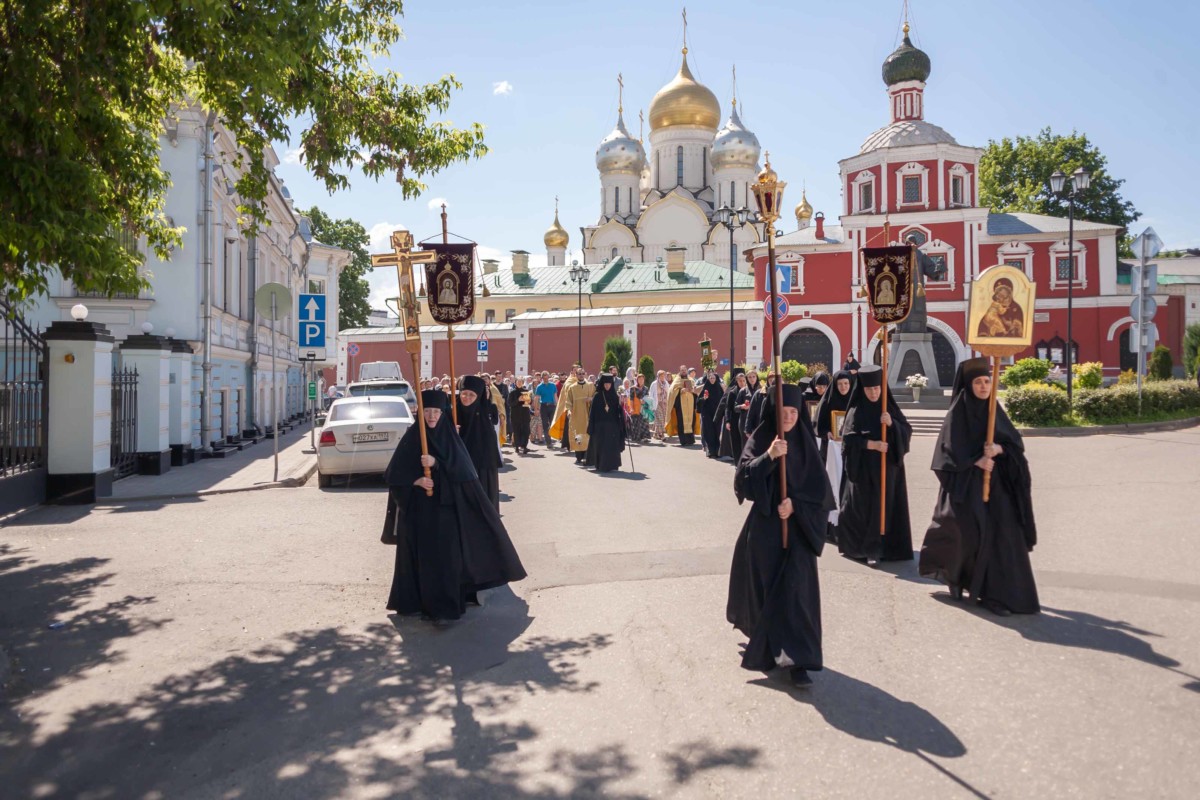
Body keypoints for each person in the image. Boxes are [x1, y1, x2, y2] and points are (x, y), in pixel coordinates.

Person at [383, 390, 526, 623]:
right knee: (423, 562)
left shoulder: (450, 437)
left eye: (437, 412)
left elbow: (463, 474)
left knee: (448, 559)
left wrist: (437, 464)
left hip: (446, 511)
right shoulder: (413, 437)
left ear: (443, 413)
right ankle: (420, 603)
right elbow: (394, 476)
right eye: (427, 411)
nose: (432, 417)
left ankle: (445, 608)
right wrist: (416, 481)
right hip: (419, 513)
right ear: (420, 413)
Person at [726, 383, 833, 688]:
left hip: (797, 532)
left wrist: (795, 506)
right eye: (783, 411)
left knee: (797, 594)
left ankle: (799, 659)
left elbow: (821, 494)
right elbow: (743, 480)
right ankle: (772, 648)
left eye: (793, 412)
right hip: (765, 530)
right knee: (766, 591)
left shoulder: (806, 442)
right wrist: (769, 457)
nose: (788, 417)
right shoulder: (762, 438)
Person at [919, 358, 1040, 616]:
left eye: (987, 381)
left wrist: (999, 449)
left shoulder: (994, 409)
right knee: (966, 533)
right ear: (968, 385)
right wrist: (976, 461)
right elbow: (945, 459)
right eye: (978, 382)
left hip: (997, 488)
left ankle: (998, 595)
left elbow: (1015, 446)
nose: (984, 387)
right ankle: (955, 578)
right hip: (965, 488)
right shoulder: (957, 414)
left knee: (1004, 536)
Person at [836, 365, 914, 566]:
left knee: (886, 507)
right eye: (869, 389)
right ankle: (867, 548)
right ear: (863, 389)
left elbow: (906, 431)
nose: (873, 392)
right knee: (864, 509)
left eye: (877, 389)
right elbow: (848, 442)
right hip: (863, 471)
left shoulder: (889, 409)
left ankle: (884, 547)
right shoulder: (855, 411)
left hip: (888, 470)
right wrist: (872, 444)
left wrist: (892, 425)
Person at [814, 370, 853, 543]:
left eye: (846, 384)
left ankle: (846, 528)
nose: (843, 387)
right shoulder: (828, 401)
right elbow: (817, 424)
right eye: (840, 384)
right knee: (830, 488)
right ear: (835, 386)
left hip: (849, 453)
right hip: (829, 451)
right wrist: (826, 433)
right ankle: (829, 529)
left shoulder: (854, 401)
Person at [456, 375, 502, 509]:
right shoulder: (452, 413)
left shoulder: (483, 417)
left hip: (482, 470)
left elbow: (488, 448)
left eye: (472, 395)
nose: (467, 397)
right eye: (464, 393)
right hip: (459, 468)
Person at [550, 366, 595, 464]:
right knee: (578, 435)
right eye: (579, 374)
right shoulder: (572, 387)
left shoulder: (590, 386)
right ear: (576, 375)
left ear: (585, 374)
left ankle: (586, 456)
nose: (581, 375)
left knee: (587, 435)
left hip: (587, 415)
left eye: (583, 373)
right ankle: (578, 457)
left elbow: (595, 397)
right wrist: (569, 411)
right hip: (576, 416)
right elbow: (568, 402)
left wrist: (591, 399)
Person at [586, 373, 627, 472]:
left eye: (609, 384)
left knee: (611, 446)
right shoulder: (597, 396)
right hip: (599, 426)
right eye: (605, 384)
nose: (607, 385)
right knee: (600, 446)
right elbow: (592, 413)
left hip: (612, 426)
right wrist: (591, 426)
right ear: (602, 384)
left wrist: (622, 404)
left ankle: (612, 465)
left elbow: (618, 411)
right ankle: (600, 465)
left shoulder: (615, 396)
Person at [665, 368, 700, 446]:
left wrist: (693, 391)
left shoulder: (691, 379)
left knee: (691, 422)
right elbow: (672, 391)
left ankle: (690, 440)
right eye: (682, 370)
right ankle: (683, 440)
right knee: (681, 422)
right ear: (680, 371)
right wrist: (681, 391)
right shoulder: (677, 380)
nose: (684, 372)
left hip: (690, 405)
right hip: (680, 405)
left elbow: (695, 390)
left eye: (685, 370)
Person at [718, 369, 748, 460]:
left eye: (743, 381)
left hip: (745, 419)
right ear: (736, 381)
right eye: (740, 381)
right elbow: (728, 408)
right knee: (735, 441)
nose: (742, 383)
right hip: (734, 419)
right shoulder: (732, 392)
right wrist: (727, 421)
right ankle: (737, 461)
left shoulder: (748, 391)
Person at [697, 370, 725, 458]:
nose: (712, 380)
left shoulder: (719, 389)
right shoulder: (705, 388)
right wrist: (704, 399)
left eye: (714, 378)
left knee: (717, 432)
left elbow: (723, 401)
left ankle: (717, 451)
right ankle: (710, 451)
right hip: (707, 415)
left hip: (717, 414)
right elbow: (698, 402)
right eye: (710, 378)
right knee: (709, 432)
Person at [507, 376, 533, 455]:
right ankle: (517, 447)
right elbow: (510, 403)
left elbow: (529, 403)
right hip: (515, 415)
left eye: (521, 382)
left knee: (526, 431)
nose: (519, 383)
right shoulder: (512, 392)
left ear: (522, 383)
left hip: (525, 414)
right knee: (516, 431)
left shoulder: (525, 391)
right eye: (518, 382)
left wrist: (529, 400)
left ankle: (524, 447)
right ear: (515, 383)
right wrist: (518, 400)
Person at [744, 370, 775, 437]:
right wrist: (748, 429)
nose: (772, 381)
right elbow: (751, 412)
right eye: (770, 380)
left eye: (774, 380)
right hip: (760, 426)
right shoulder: (759, 393)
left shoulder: (783, 393)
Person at [534, 372, 558, 448]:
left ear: (548, 377)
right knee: (545, 424)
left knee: (552, 424)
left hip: (552, 406)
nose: (545, 379)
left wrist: (557, 406)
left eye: (546, 377)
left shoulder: (553, 385)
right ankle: (548, 442)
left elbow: (555, 396)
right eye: (544, 378)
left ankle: (551, 438)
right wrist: (536, 409)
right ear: (542, 378)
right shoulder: (539, 387)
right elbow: (536, 398)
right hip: (544, 406)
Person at [626, 373, 651, 442]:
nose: (641, 380)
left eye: (642, 379)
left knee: (644, 423)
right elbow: (631, 399)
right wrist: (631, 408)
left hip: (643, 408)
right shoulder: (633, 388)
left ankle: (644, 437)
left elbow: (647, 398)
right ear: (637, 380)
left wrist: (645, 402)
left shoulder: (646, 388)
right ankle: (636, 437)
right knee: (636, 423)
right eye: (639, 379)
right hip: (635, 408)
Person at [649, 370, 671, 440]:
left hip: (664, 403)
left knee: (662, 419)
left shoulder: (666, 383)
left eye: (663, 375)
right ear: (658, 376)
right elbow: (651, 394)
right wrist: (651, 404)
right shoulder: (654, 384)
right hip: (657, 402)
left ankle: (656, 434)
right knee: (660, 418)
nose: (662, 377)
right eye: (661, 375)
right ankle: (661, 434)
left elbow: (668, 392)